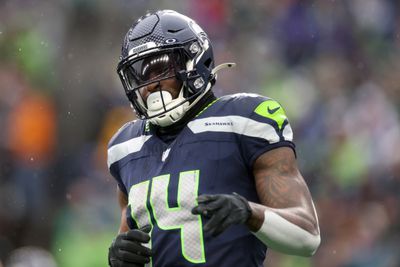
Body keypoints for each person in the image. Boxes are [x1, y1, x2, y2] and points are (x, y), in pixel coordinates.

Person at [107, 9, 320, 267]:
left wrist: (248, 212)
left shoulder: (244, 120)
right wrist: (119, 257)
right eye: (141, 75)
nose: (150, 85)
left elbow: (307, 236)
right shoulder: (125, 147)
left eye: (161, 69)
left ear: (194, 62)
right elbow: (134, 241)